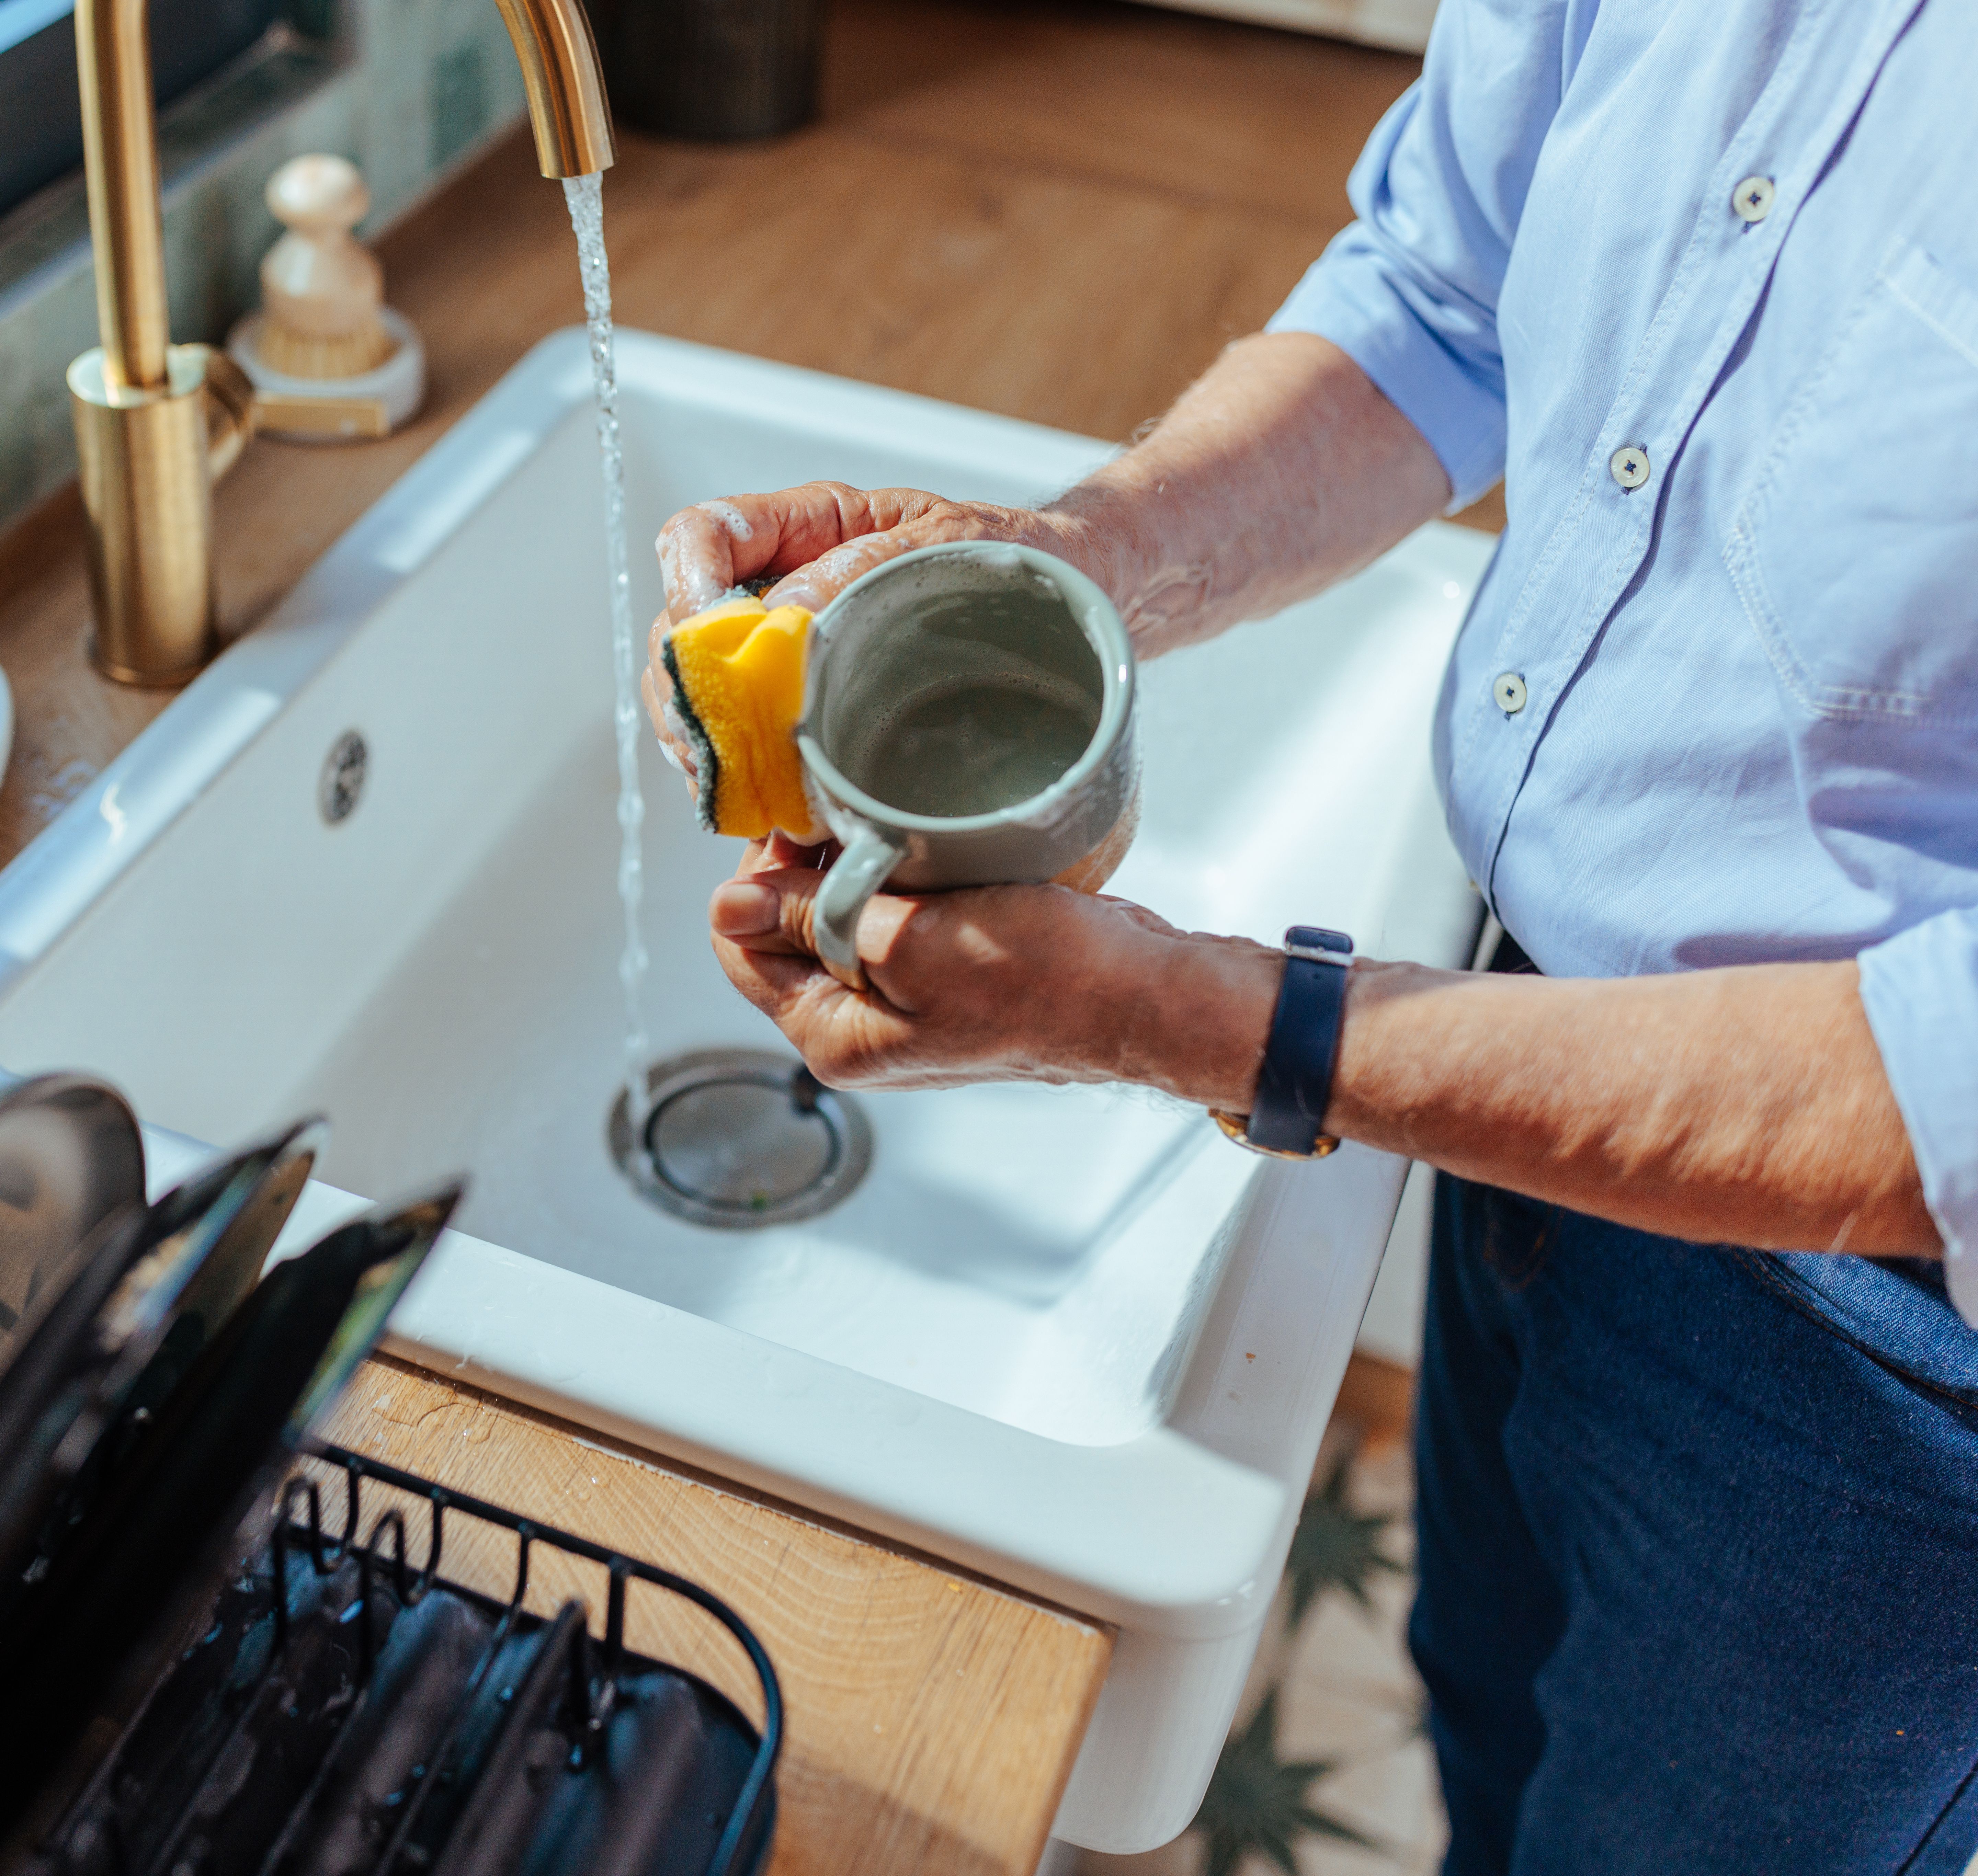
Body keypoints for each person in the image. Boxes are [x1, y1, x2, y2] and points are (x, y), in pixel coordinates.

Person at [642, 4, 1978, 1870]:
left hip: (1883, 1361)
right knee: (1489, 1698)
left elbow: (1942, 1070)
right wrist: (1064, 573)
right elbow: (1439, 297)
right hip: (1523, 1060)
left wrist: (1198, 1020)